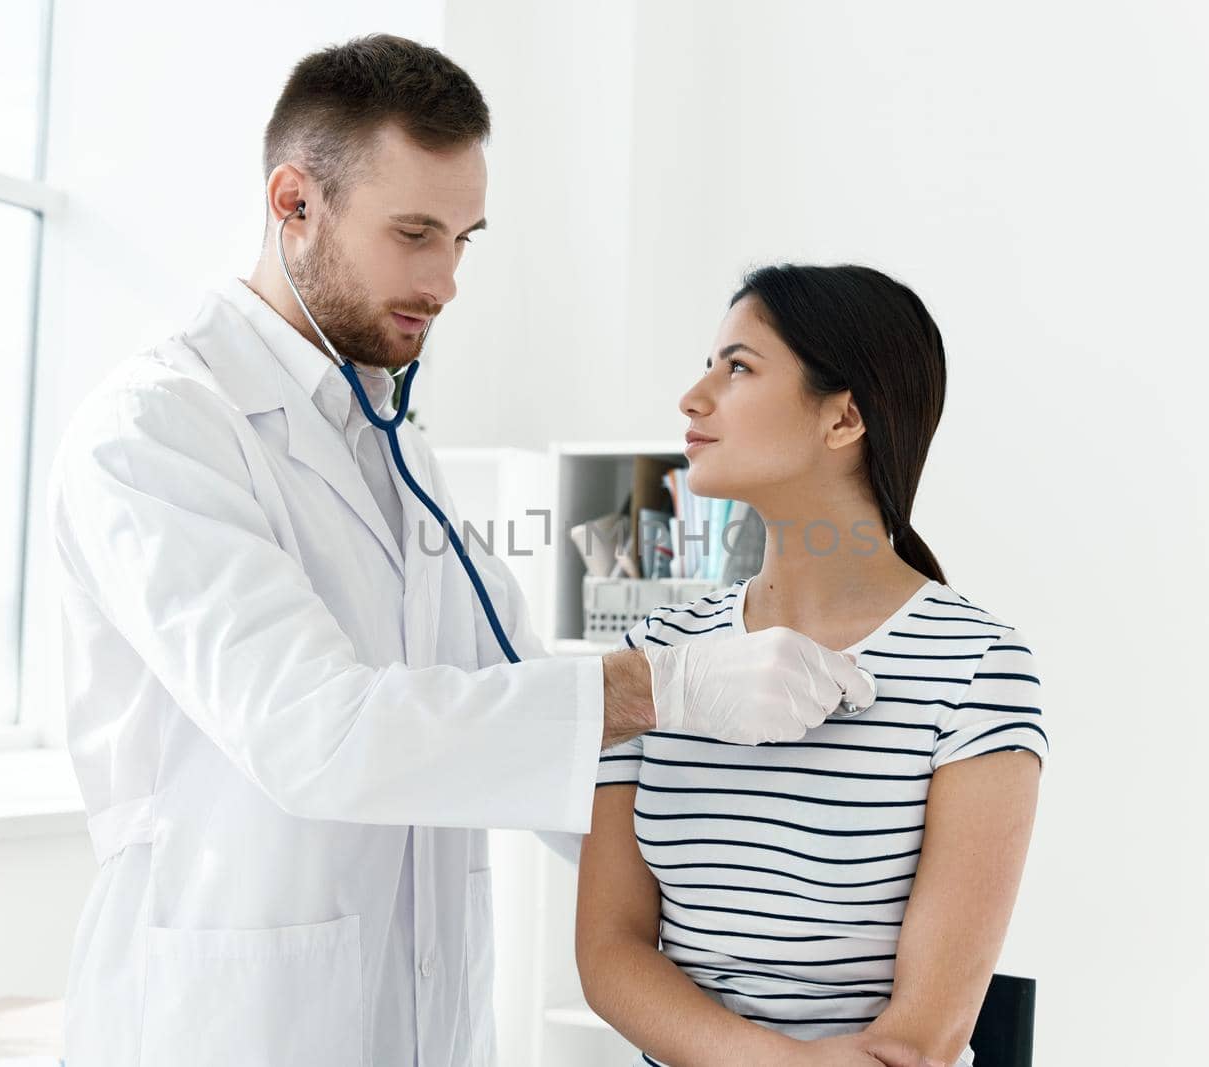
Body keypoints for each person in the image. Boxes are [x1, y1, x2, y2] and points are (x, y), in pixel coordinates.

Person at [48, 37, 884, 1067]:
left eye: (463, 238)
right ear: (293, 201)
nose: (445, 281)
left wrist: (814, 862)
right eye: (414, 234)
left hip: (419, 1018)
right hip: (230, 1021)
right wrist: (660, 685)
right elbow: (320, 734)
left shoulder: (389, 438)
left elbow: (510, 699)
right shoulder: (158, 429)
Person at [576, 265, 1049, 1067]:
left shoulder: (977, 670)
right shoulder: (656, 661)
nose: (694, 397)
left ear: (843, 422)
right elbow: (610, 956)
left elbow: (922, 1039)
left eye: (738, 367)